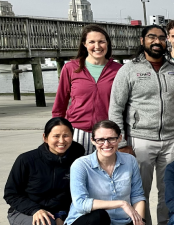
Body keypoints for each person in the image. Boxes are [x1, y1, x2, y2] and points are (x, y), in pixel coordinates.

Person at [108, 24, 174, 225]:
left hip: (172, 140)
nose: (157, 41)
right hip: (139, 139)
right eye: (152, 37)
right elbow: (116, 108)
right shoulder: (128, 70)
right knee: (139, 190)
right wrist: (122, 143)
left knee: (169, 189)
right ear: (142, 40)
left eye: (162, 38)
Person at [64, 120, 158, 225]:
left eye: (111, 138)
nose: (106, 144)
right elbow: (81, 203)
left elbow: (138, 195)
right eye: (100, 139)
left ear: (119, 139)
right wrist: (121, 203)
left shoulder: (130, 161)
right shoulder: (81, 165)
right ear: (93, 141)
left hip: (119, 224)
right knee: (99, 216)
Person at [4, 118, 83, 225]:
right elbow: (11, 194)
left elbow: (74, 194)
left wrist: (62, 215)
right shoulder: (26, 160)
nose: (61, 140)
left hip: (59, 212)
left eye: (66, 135)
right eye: (56, 136)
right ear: (45, 137)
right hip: (24, 212)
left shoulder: (77, 159)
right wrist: (35, 210)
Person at [52, 25, 122, 155]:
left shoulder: (119, 70)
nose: (97, 46)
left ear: (107, 43)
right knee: (77, 172)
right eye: (92, 42)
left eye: (101, 41)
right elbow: (60, 103)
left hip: (108, 133)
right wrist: (56, 131)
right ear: (84, 44)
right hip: (77, 131)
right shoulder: (70, 68)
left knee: (106, 172)